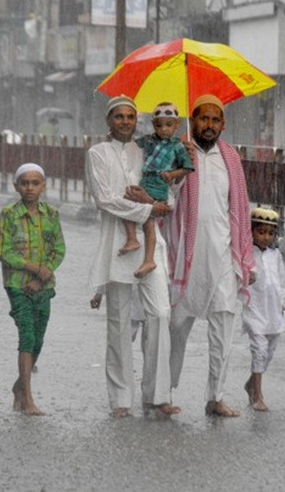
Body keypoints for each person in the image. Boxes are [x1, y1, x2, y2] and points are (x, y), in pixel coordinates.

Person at [85, 95, 178, 418]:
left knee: (161, 314)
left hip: (151, 242)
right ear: (108, 121)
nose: (125, 121)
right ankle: (120, 399)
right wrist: (147, 207)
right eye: (119, 116)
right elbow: (105, 199)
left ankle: (157, 394)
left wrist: (153, 201)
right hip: (117, 244)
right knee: (119, 323)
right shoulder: (97, 154)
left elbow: (168, 196)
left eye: (130, 117)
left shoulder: (147, 150)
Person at [165, 94, 256, 418]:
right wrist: (178, 168)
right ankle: (165, 393)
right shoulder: (177, 151)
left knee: (223, 332)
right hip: (184, 260)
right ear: (193, 119)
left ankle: (215, 397)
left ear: (223, 125)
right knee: (175, 329)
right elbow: (164, 197)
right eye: (203, 118)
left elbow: (240, 212)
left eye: (215, 120)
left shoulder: (230, 158)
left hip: (222, 259)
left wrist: (245, 259)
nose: (209, 125)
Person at [0, 163, 65, 416]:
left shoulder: (51, 214)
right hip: (18, 286)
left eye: (35, 183)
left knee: (38, 339)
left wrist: (44, 272)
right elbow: (3, 251)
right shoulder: (9, 214)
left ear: (44, 186)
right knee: (26, 336)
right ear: (17, 186)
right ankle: (27, 398)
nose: (30, 188)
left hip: (44, 287)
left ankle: (18, 387)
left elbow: (59, 249)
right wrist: (34, 269)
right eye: (24, 183)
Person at [119, 102, 193, 278]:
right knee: (127, 201)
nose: (164, 129)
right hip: (146, 179)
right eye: (159, 125)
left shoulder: (178, 146)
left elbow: (188, 168)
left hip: (160, 184)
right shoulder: (149, 140)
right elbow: (131, 144)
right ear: (153, 125)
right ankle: (132, 238)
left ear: (177, 125)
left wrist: (172, 173)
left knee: (148, 218)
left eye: (169, 125)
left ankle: (149, 259)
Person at [242, 207, 285, 412]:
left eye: (270, 233)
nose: (266, 237)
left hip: (273, 308)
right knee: (259, 348)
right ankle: (258, 394)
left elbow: (281, 281)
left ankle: (251, 382)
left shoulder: (276, 254)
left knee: (269, 350)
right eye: (261, 232)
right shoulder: (247, 253)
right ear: (251, 232)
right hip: (254, 307)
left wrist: (282, 302)